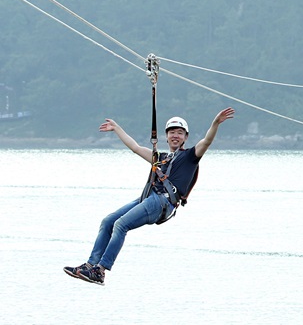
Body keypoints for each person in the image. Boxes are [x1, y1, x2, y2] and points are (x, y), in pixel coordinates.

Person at [64, 107, 235, 285]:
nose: (175, 136)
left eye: (179, 133)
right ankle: (90, 265)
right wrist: (117, 128)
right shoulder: (160, 157)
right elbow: (135, 148)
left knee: (121, 225)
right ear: (166, 136)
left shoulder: (190, 156)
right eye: (172, 133)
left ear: (185, 137)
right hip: (149, 198)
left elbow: (206, 141)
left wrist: (215, 123)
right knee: (108, 222)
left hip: (162, 202)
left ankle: (100, 270)